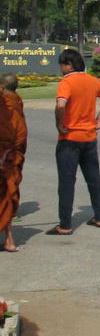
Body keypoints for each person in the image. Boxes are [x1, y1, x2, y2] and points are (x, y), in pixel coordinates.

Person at [48, 49, 100, 236]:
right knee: (93, 178)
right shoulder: (92, 80)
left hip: (70, 138)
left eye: (62, 65)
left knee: (67, 182)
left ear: (68, 65)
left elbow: (61, 104)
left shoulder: (67, 82)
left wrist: (59, 124)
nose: (61, 69)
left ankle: (65, 224)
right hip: (89, 137)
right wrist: (98, 119)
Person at [0, 77, 27, 252]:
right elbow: (21, 133)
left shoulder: (7, 105)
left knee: (5, 196)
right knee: (9, 195)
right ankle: (9, 240)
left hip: (5, 156)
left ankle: (9, 239)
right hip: (13, 155)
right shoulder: (16, 102)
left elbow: (8, 134)